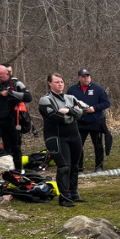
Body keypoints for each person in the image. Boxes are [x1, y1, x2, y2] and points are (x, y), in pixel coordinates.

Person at [38, 73, 86, 207]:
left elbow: (84, 111)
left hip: (74, 136)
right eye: (57, 82)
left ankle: (74, 194)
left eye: (61, 82)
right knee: (64, 167)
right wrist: (74, 113)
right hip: (56, 137)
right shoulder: (45, 100)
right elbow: (57, 117)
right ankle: (64, 197)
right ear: (49, 83)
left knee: (75, 166)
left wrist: (68, 111)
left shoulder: (71, 98)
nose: (60, 84)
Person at [66, 69, 111, 172]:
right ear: (79, 78)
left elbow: (106, 103)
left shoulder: (98, 88)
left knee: (98, 145)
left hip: (96, 121)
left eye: (88, 76)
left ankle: (99, 166)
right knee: (78, 145)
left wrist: (94, 108)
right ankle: (78, 166)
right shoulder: (72, 90)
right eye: (84, 76)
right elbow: (67, 104)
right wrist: (75, 110)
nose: (86, 78)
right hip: (79, 122)